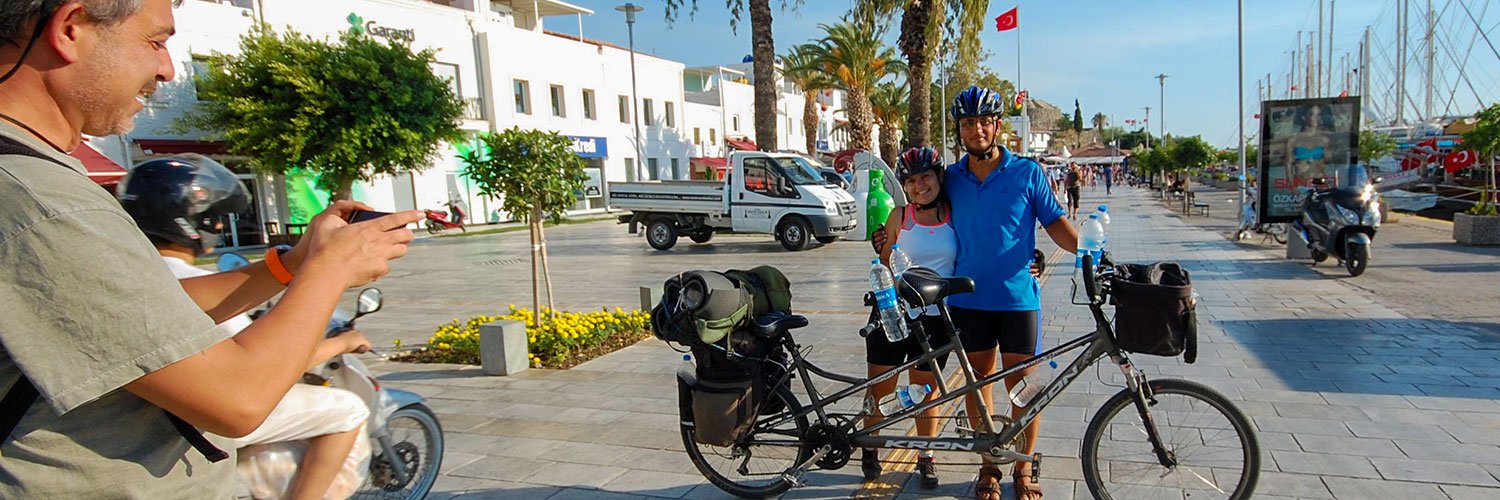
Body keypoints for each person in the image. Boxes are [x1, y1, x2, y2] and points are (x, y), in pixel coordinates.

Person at [0, 1, 423, 496]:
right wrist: (331, 271)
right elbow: (238, 399)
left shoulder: (37, 175)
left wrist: (292, 264)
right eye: (155, 42)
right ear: (70, 28)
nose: (167, 68)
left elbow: (148, 316)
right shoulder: (43, 203)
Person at [119, 155, 374, 500]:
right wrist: (342, 340)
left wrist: (294, 263)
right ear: (193, 220)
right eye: (216, 218)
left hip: (155, 414)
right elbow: (264, 361)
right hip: (205, 413)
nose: (221, 227)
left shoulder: (131, 274)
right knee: (349, 409)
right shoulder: (191, 279)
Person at [876, 86, 1078, 500]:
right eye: (969, 123)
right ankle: (988, 467)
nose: (977, 129)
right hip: (967, 302)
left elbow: (1055, 223)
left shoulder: (1027, 173)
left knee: (1024, 387)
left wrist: (1091, 251)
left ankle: (1022, 468)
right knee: (978, 386)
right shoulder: (951, 178)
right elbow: (921, 205)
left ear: (997, 125)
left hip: (1018, 300)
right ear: (960, 130)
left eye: (984, 121)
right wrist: (887, 233)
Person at [859, 147, 956, 489]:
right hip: (892, 312)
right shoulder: (899, 216)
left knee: (924, 390)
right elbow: (884, 264)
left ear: (939, 178)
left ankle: (926, 454)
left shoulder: (954, 215)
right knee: (881, 385)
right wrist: (879, 244)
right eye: (912, 180)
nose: (919, 185)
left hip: (934, 317)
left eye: (925, 176)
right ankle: (870, 444)